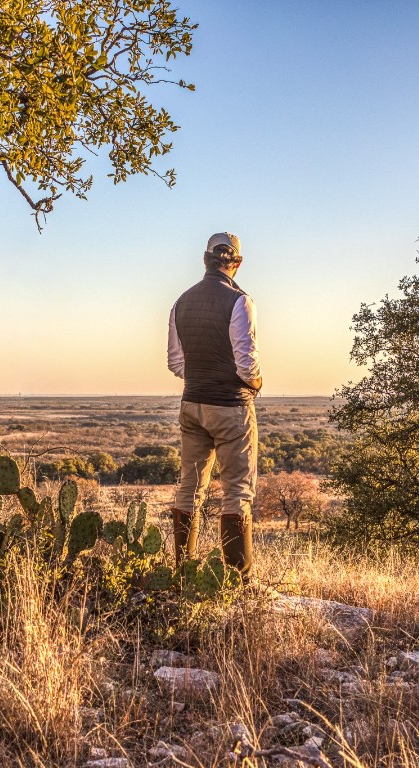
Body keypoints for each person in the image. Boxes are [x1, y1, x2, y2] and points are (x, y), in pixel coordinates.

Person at [167, 232, 261, 581]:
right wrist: (256, 383)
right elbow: (246, 362)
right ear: (237, 263)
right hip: (231, 406)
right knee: (237, 490)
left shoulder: (181, 302)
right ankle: (239, 580)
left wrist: (201, 376)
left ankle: (183, 572)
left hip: (192, 403)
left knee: (189, 487)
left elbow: (175, 362)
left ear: (205, 259)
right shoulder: (240, 300)